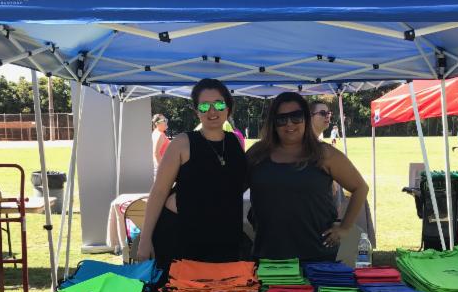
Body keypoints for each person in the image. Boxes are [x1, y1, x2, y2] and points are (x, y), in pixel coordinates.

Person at [137, 79, 246, 269]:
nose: (212, 111)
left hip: (223, 238)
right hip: (181, 238)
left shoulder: (234, 143)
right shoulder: (182, 143)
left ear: (228, 108)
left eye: (219, 104)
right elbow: (159, 191)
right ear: (196, 111)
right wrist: (145, 240)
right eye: (204, 106)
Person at [247, 92, 369, 262]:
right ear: (273, 122)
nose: (289, 123)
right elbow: (231, 189)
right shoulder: (257, 154)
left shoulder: (324, 153)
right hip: (269, 255)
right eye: (281, 118)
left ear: (306, 118)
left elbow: (360, 188)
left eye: (296, 116)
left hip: (317, 256)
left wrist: (344, 228)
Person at [150, 114, 169, 179]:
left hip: (157, 167)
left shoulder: (155, 133)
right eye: (164, 120)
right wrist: (163, 169)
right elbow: (156, 153)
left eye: (166, 119)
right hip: (160, 168)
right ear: (157, 123)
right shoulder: (160, 135)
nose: (166, 121)